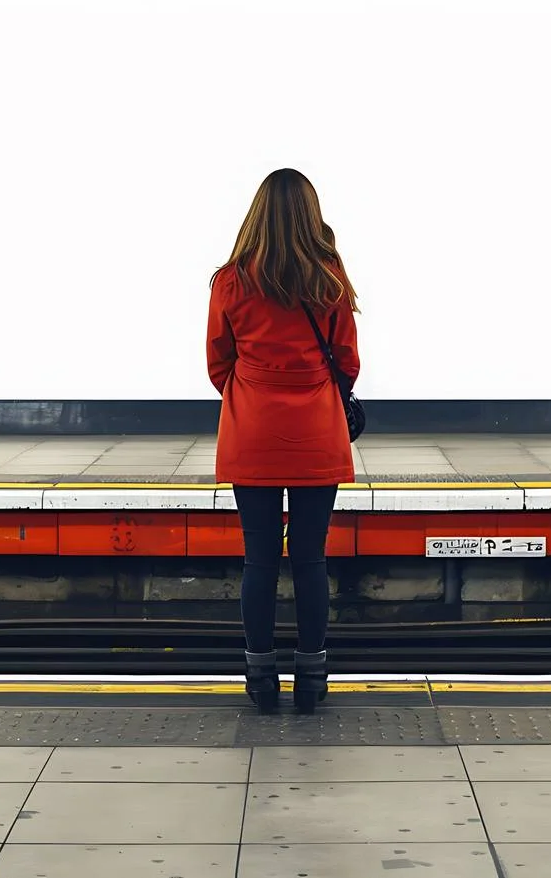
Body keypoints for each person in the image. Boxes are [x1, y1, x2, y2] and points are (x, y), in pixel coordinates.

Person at [206, 168, 360, 715]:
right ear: (310, 214)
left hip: (252, 432)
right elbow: (348, 360)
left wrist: (252, 394)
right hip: (316, 430)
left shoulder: (230, 281)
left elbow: (218, 361)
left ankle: (260, 675)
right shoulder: (329, 277)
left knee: (260, 560)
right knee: (311, 558)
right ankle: (311, 678)